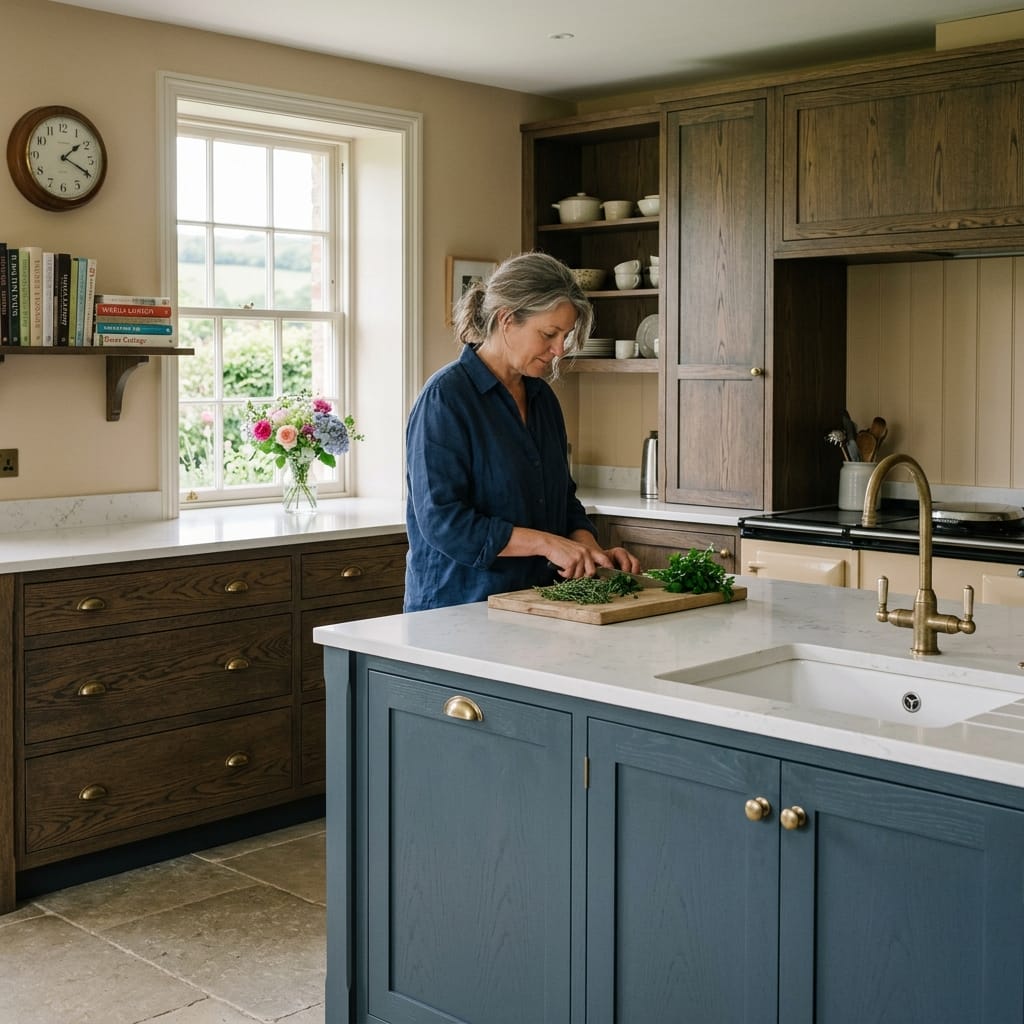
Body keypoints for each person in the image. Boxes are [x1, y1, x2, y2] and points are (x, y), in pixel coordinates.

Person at [404, 251, 641, 612]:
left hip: (535, 604)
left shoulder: (542, 398)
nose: (559, 349)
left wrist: (586, 546)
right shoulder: (445, 399)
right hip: (457, 610)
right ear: (507, 319)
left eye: (565, 336)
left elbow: (561, 500)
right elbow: (443, 521)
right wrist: (546, 544)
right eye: (549, 333)